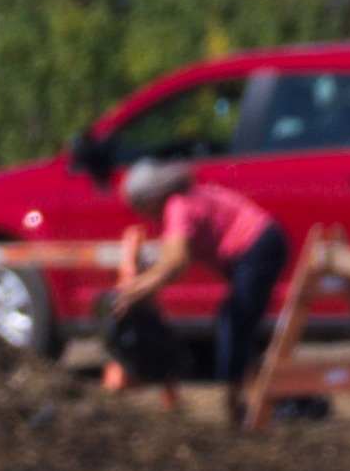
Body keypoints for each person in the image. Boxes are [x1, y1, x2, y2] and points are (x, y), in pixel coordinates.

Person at [100, 154, 294, 398]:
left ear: (149, 198)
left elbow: (175, 264)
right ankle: (249, 392)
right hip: (262, 243)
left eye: (138, 207)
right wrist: (140, 285)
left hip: (257, 245)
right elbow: (170, 256)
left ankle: (236, 395)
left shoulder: (178, 206)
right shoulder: (185, 200)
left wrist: (132, 292)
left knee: (234, 322)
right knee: (238, 322)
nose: (140, 215)